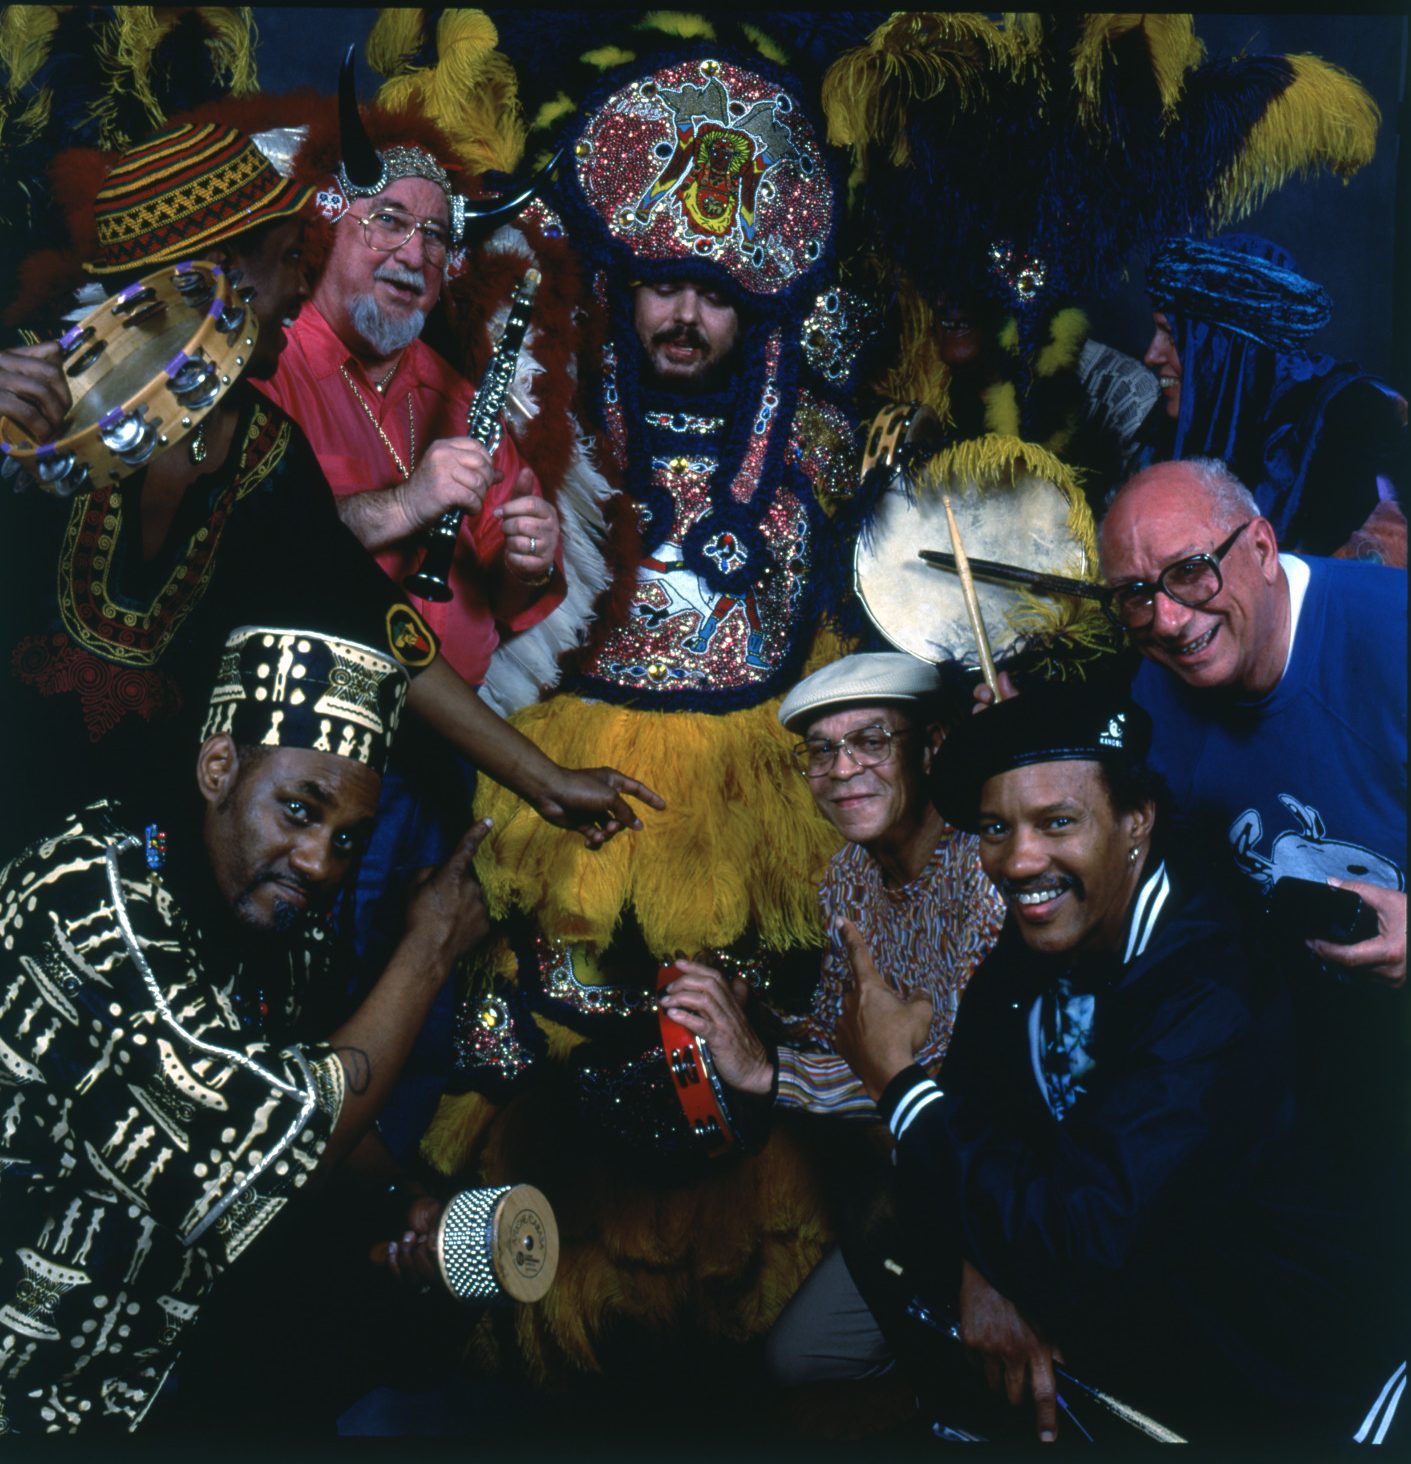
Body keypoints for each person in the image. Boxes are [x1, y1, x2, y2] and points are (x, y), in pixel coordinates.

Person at [422, 48, 864, 1386]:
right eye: (663, 282)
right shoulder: (548, 428)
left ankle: (723, 1364)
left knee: (733, 1035)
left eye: (714, 291)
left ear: (760, 299)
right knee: (544, 1039)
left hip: (752, 800)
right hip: (568, 788)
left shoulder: (812, 453)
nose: (682, 314)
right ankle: (536, 1342)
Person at [0, 117, 663, 864]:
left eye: (435, 236)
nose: (301, 284)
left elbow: (380, 621)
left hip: (146, 845)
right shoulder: (26, 402)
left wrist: (541, 779)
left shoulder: (263, 450)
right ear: (217, 275)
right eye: (292, 258)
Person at [830, 681, 1405, 1445]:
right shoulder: (1050, 924)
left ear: (1135, 820)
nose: (1019, 859)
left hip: (1314, 1373)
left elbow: (1078, 1239)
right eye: (997, 828)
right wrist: (984, 1262)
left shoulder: (1214, 981)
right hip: (1172, 1326)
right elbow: (982, 1102)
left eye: (1056, 822)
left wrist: (897, 1085)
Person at [0, 625, 491, 1436]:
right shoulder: (89, 900)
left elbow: (301, 1076)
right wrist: (427, 952)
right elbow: (274, 1130)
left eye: (347, 843)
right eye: (298, 811)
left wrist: (406, 1194)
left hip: (152, 1361)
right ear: (219, 768)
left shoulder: (273, 919)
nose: (317, 862)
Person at [657, 652, 1004, 1390]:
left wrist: (765, 1071)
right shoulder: (845, 874)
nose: (842, 769)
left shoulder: (989, 869)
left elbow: (947, 1087)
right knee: (800, 1361)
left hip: (1006, 1197)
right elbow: (836, 1032)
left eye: (871, 741)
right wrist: (759, 1021)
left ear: (932, 745)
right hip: (910, 1194)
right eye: (821, 750)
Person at [1142, 234, 1407, 562]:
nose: (1151, 355)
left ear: (1227, 346)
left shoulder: (1354, 420)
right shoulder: (1170, 427)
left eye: (1171, 335)